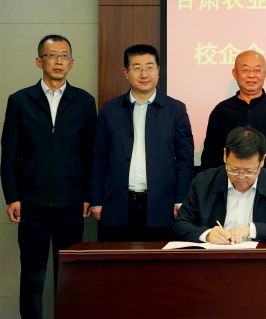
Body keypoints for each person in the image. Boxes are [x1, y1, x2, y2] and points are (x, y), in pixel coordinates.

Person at [1, 35, 97, 319]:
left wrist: (88, 195)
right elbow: (9, 154)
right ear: (38, 61)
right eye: (52, 55)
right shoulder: (20, 101)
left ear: (72, 63)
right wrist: (12, 196)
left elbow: (90, 154)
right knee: (32, 275)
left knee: (69, 276)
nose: (59, 61)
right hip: (31, 204)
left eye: (64, 55)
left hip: (71, 204)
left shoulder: (84, 101)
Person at [90, 44, 194, 242]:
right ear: (126, 72)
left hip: (161, 205)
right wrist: (96, 199)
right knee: (116, 260)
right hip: (117, 204)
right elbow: (99, 158)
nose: (144, 74)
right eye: (137, 68)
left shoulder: (175, 109)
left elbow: (185, 160)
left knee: (158, 260)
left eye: (149, 67)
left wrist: (182, 199)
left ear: (158, 71)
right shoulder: (110, 110)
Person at [172, 126, 266, 243]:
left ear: (262, 160)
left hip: (260, 258)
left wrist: (251, 230)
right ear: (225, 155)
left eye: (249, 171)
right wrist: (207, 235)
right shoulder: (204, 182)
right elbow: (179, 225)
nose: (240, 177)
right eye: (233, 169)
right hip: (215, 257)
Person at [200, 50, 266, 194]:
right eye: (245, 70)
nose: (252, 75)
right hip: (228, 190)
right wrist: (206, 192)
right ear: (234, 73)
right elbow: (210, 157)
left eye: (257, 70)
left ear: (265, 73)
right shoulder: (221, 111)